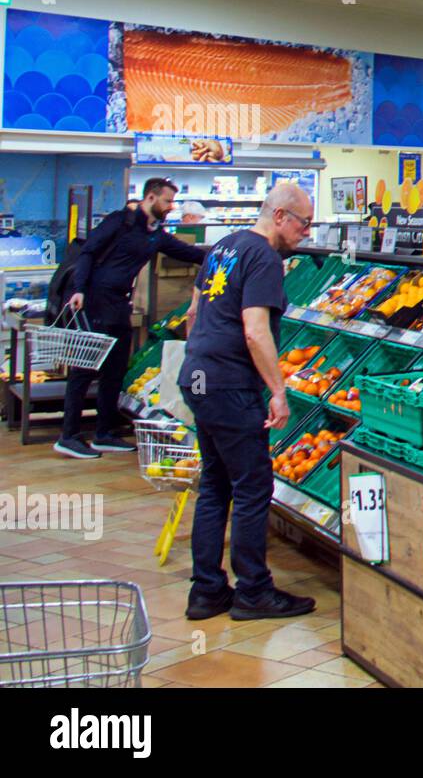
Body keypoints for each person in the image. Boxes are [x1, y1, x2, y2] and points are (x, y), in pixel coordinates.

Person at [181, 183, 317, 621]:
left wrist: (204, 357)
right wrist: (278, 391)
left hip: (198, 377)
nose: (306, 233)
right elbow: (255, 330)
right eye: (303, 223)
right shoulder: (264, 258)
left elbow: (193, 315)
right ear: (280, 216)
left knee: (215, 484)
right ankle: (254, 591)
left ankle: (206, 592)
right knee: (253, 486)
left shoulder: (222, 247)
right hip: (229, 384)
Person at [56, 178, 206, 459]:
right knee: (83, 371)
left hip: (119, 305)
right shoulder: (119, 222)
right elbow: (88, 252)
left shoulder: (155, 234)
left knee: (114, 370)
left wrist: (223, 257)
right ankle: (69, 435)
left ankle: (104, 433)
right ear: (150, 198)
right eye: (167, 201)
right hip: (94, 301)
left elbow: (187, 252)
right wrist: (78, 290)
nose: (171, 207)